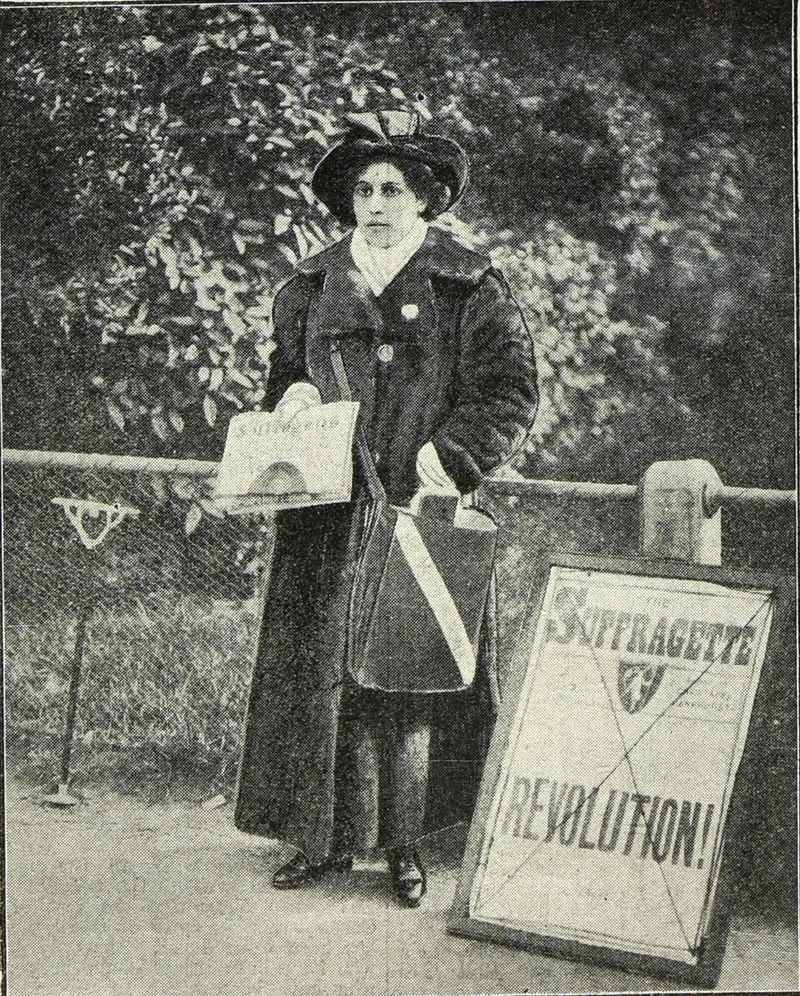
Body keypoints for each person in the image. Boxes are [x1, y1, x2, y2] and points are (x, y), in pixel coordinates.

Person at [234, 109, 538, 907]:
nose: (375, 202)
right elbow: (281, 375)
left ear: (427, 198)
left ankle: (406, 846)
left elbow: (509, 392)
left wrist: (453, 456)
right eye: (362, 188)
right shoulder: (307, 287)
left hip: (420, 506)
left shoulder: (468, 283)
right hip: (325, 515)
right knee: (320, 676)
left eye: (392, 188)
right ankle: (323, 840)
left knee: (409, 678)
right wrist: (294, 392)